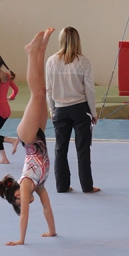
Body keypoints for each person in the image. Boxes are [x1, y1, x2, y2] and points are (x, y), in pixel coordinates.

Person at [0, 29, 57, 246]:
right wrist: (51, 232)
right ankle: (42, 49)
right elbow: (47, 208)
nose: (25, 203)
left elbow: (24, 215)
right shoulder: (39, 185)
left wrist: (21, 239)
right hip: (38, 135)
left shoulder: (27, 183)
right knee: (42, 91)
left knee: (37, 93)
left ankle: (31, 52)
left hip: (28, 137)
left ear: (16, 194)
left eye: (20, 202)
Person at [46, 27, 100, 194]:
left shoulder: (51, 61)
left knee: (60, 148)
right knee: (82, 149)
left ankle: (62, 186)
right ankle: (86, 186)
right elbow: (89, 90)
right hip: (80, 108)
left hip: (60, 109)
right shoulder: (83, 62)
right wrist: (94, 112)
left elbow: (48, 88)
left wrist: (52, 109)